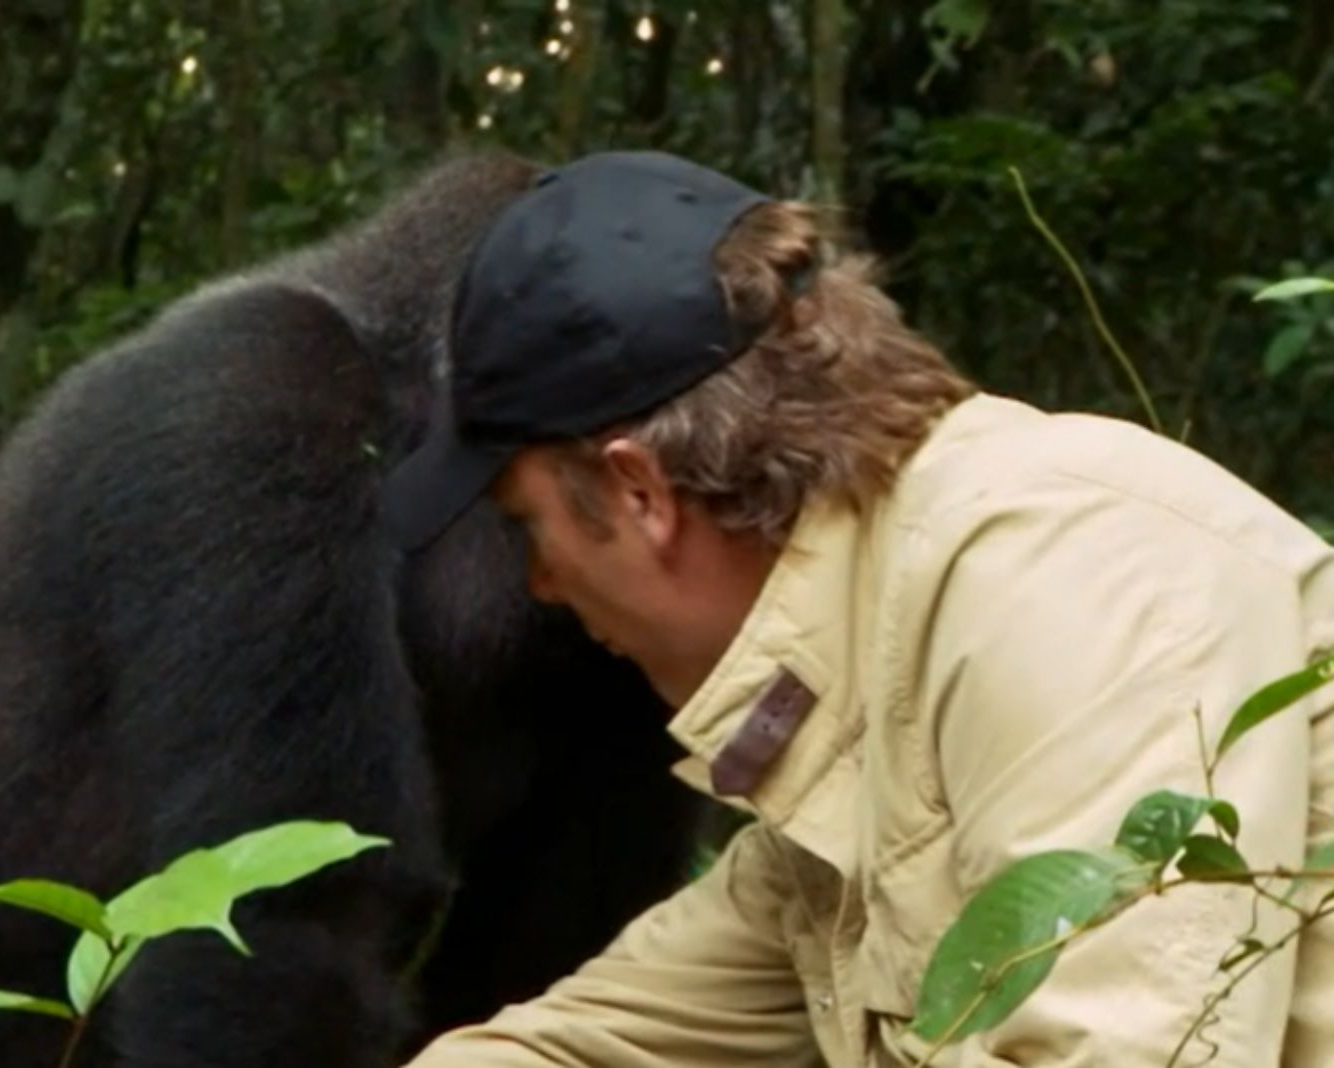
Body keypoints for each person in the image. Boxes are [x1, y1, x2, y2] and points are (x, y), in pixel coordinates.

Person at [379, 150, 1334, 1067]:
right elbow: (596, 1043)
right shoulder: (856, 718)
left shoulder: (1061, 572)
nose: (540, 584)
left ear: (637, 493)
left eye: (527, 527)